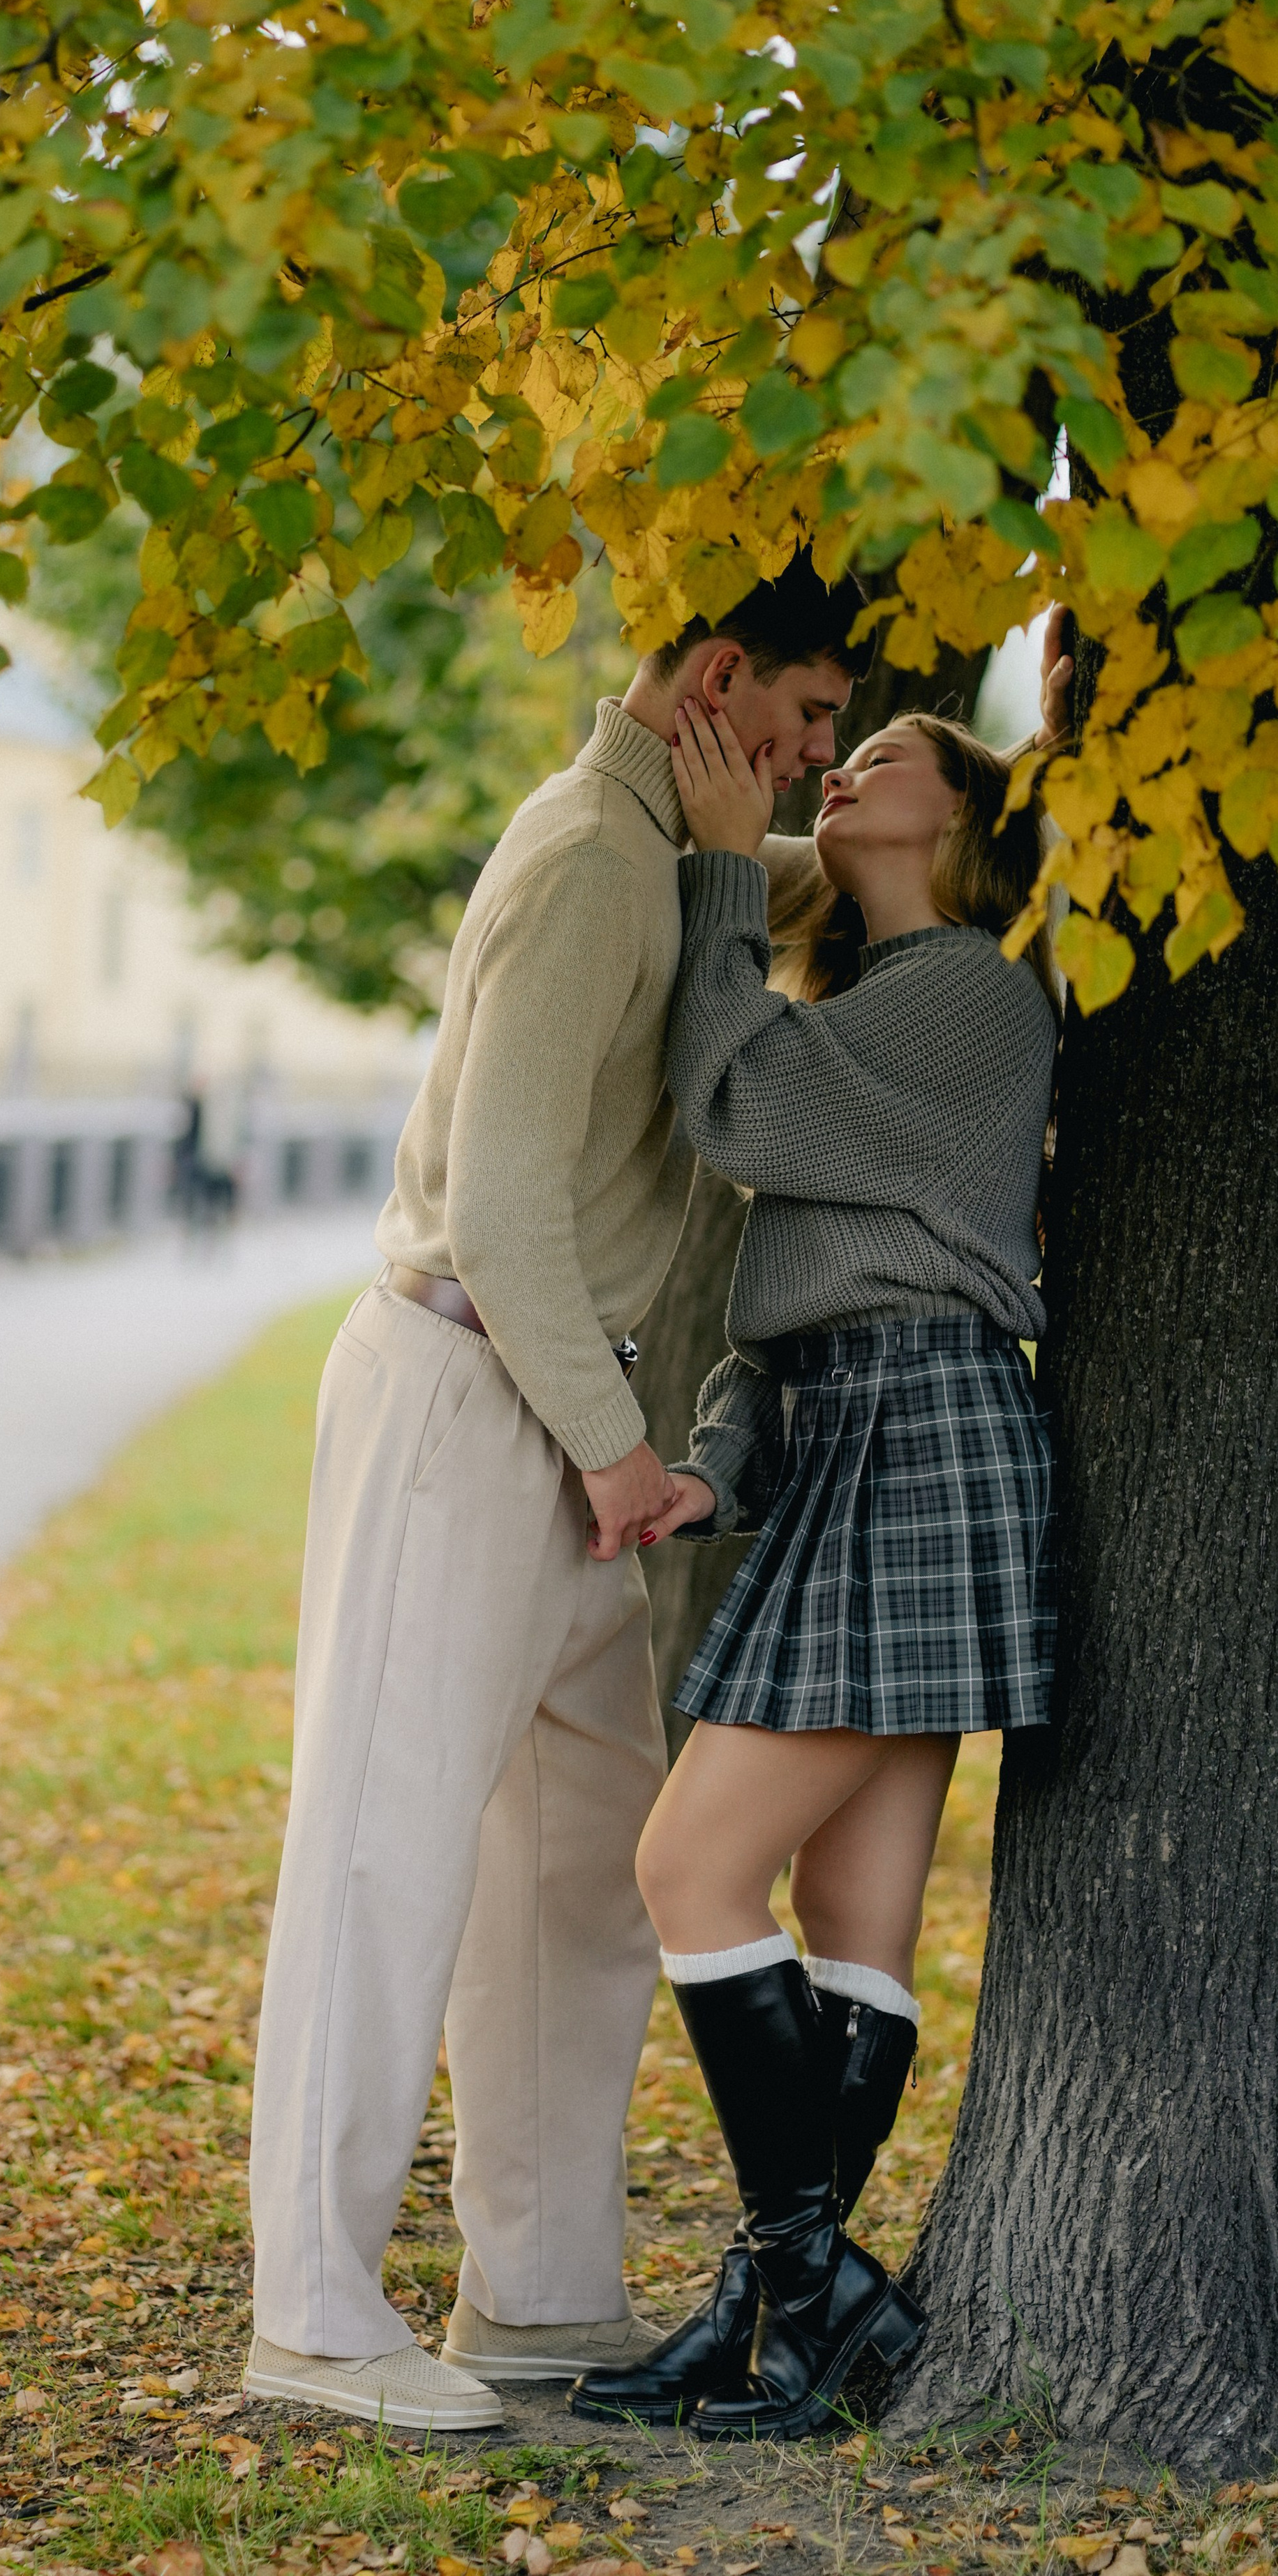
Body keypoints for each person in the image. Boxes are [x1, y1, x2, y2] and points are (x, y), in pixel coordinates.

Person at [242, 555, 870, 2432]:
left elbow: (814, 895)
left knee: (569, 1876)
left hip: (562, 1422)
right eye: (813, 720)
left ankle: (539, 2297)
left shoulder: (674, 852)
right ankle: (317, 2316)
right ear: (722, 678)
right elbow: (504, 1202)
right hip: (472, 1394)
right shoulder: (591, 863)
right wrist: (618, 1456)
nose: (823, 762)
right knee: (386, 1851)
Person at [570, 695, 1062, 2441]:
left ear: (963, 823)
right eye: (841, 758)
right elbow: (780, 1304)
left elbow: (736, 1110)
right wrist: (710, 1469)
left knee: (684, 1869)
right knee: (851, 1926)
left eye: (894, 760)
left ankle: (812, 2300)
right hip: (855, 1436)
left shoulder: (968, 996)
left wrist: (716, 868)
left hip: (920, 1442)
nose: (848, 770)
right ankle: (775, 2327)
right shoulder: (864, 1003)